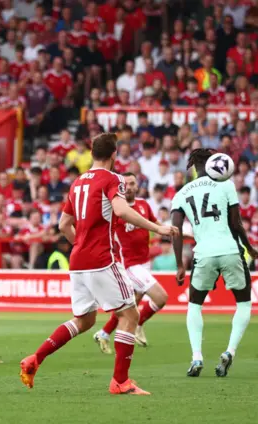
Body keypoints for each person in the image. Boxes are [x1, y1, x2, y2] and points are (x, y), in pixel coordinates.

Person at [19, 132, 178, 395]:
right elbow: (122, 210)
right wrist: (157, 229)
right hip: (102, 258)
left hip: (78, 260)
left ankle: (36, 358)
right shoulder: (112, 178)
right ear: (114, 155)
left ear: (92, 154)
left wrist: (80, 244)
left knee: (84, 320)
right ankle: (120, 381)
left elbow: (63, 225)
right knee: (130, 315)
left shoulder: (77, 182)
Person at [171, 149, 258, 378]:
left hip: (203, 254)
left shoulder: (181, 194)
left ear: (192, 167)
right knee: (243, 304)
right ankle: (229, 352)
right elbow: (236, 224)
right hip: (230, 250)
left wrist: (180, 264)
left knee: (194, 305)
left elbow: (175, 231)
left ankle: (196, 357)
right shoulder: (225, 184)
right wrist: (248, 248)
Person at [93, 172, 169, 352]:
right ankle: (137, 326)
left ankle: (103, 334)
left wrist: (170, 230)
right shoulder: (116, 209)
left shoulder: (143, 205)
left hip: (144, 262)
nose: (128, 187)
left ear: (137, 186)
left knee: (131, 304)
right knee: (161, 297)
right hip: (129, 265)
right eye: (125, 184)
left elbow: (157, 225)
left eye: (132, 183)